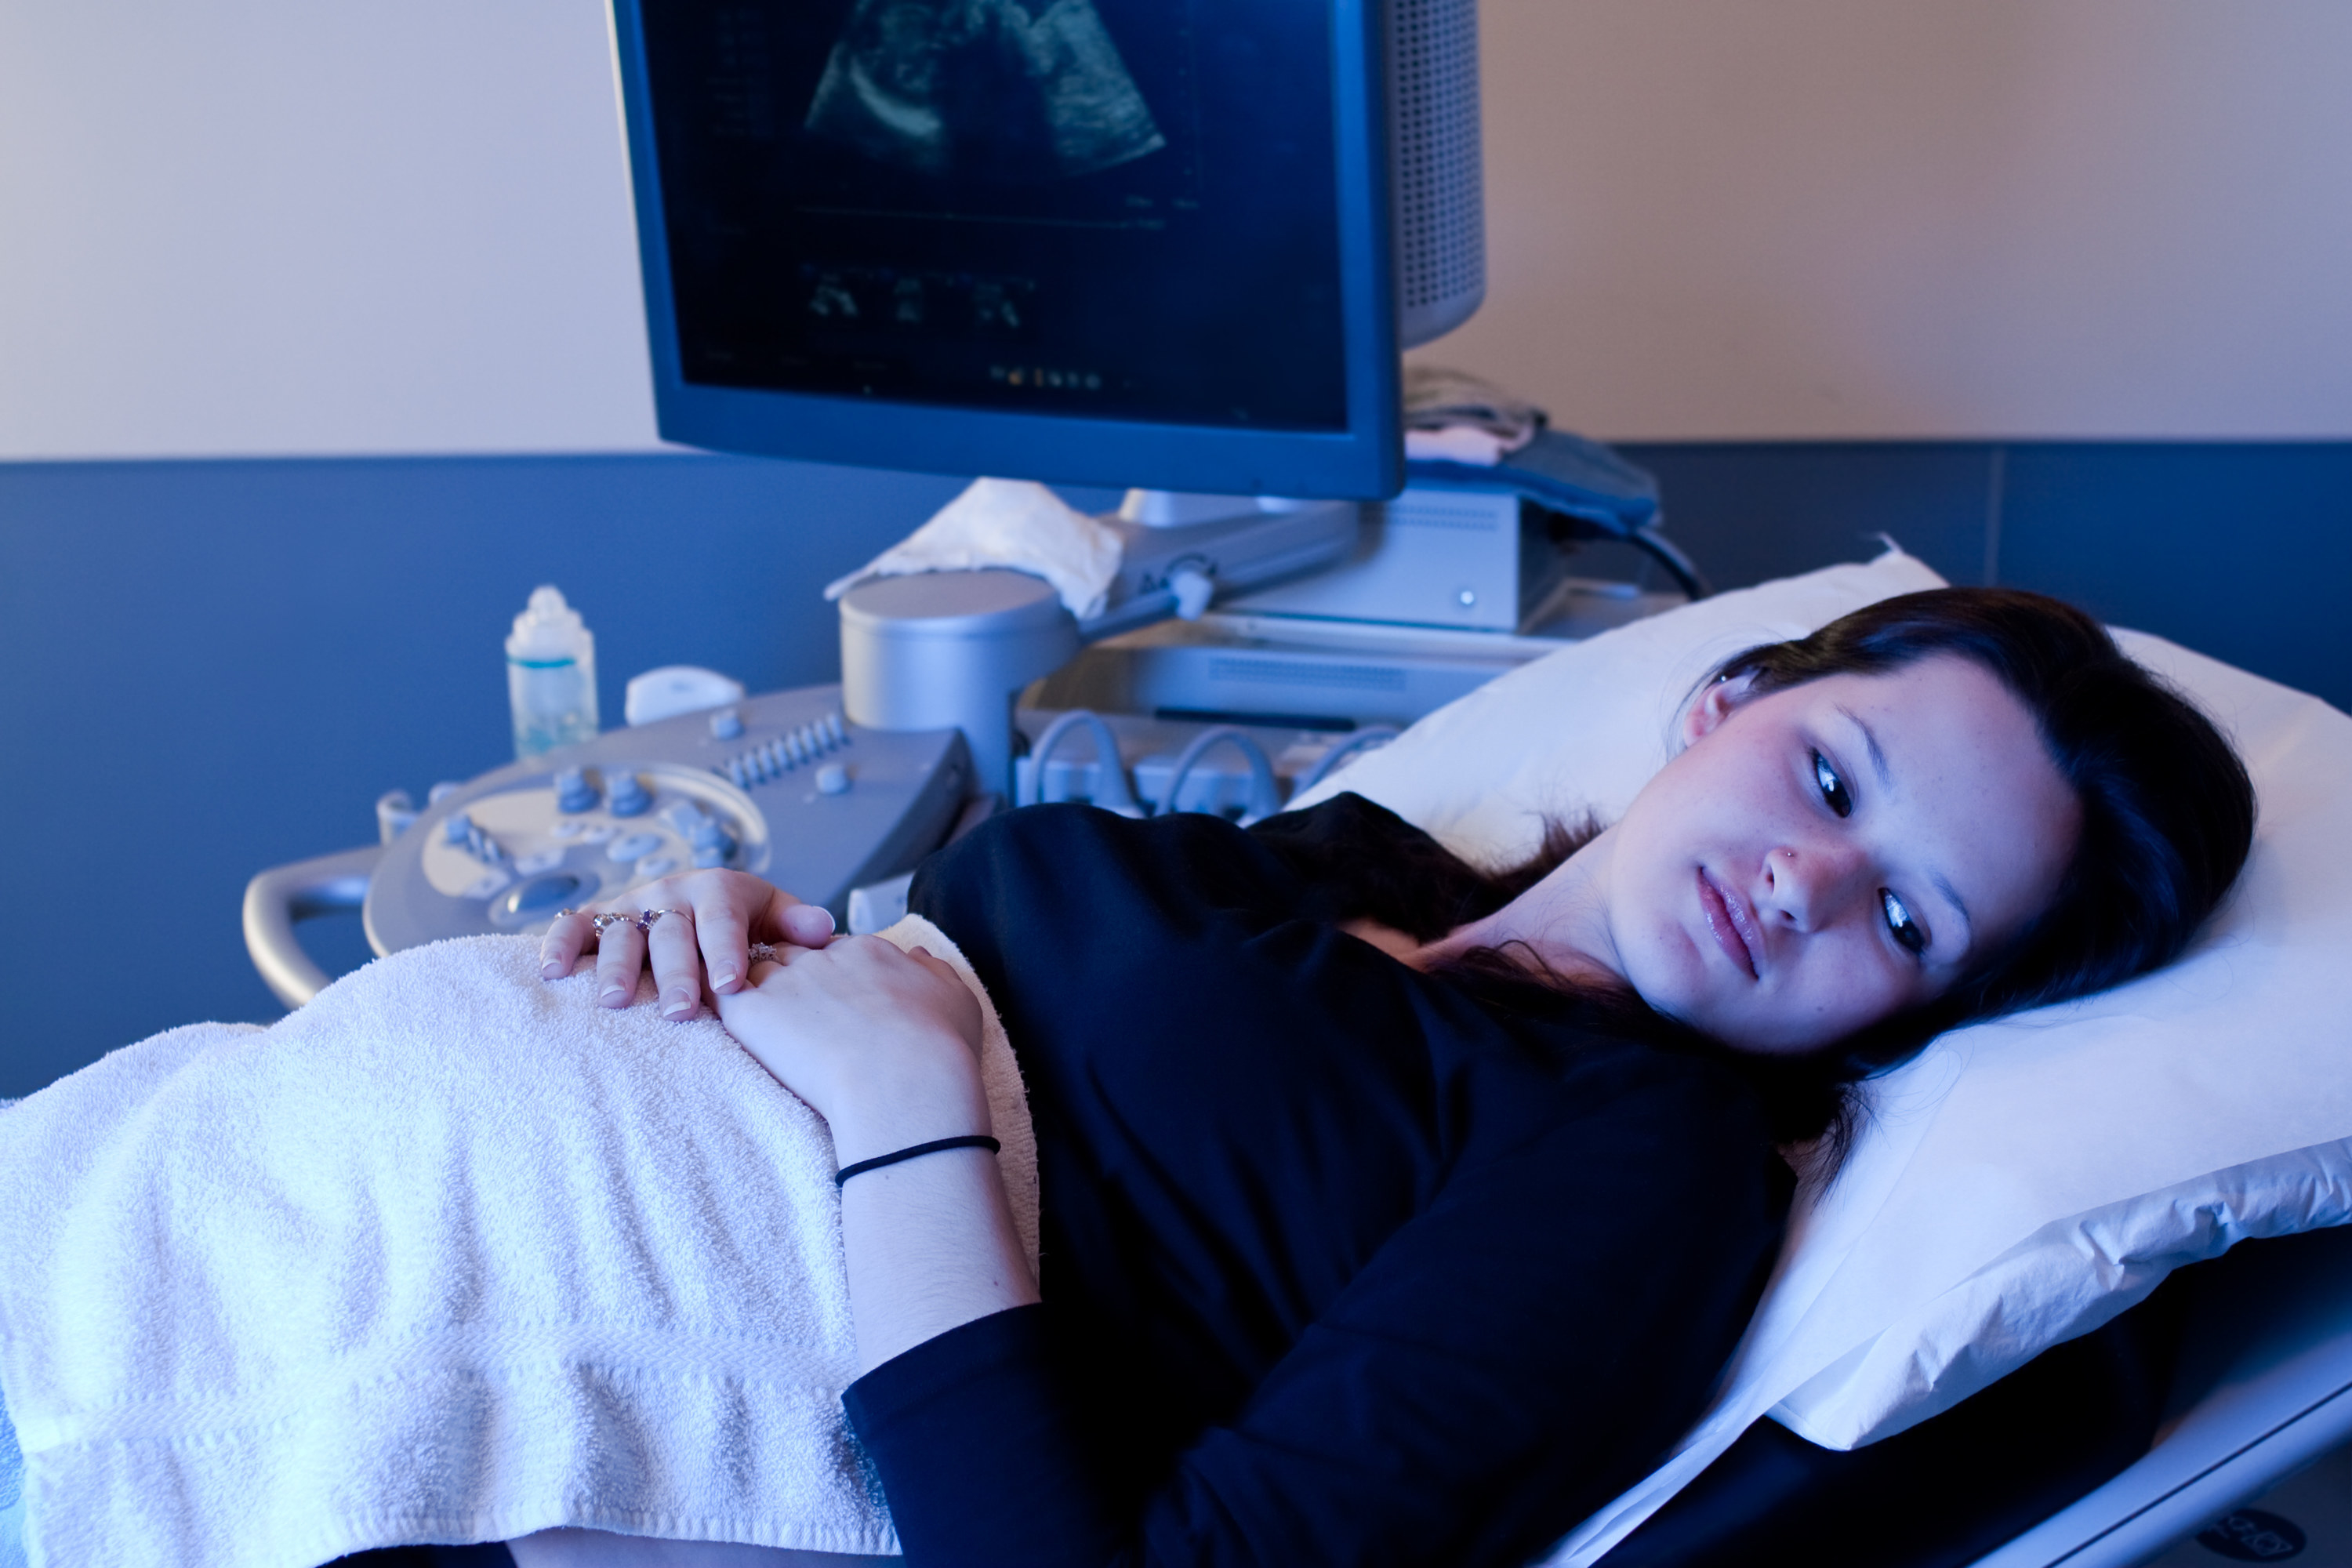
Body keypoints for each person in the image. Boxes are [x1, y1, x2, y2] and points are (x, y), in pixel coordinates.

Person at [530, 587, 2256, 1568]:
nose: (1807, 880)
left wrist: (907, 1113)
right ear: (1721, 702)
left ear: (1912, 1013)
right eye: (1829, 776)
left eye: (1901, 910)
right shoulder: (1347, 864)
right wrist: (733, 935)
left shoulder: (1640, 1166)